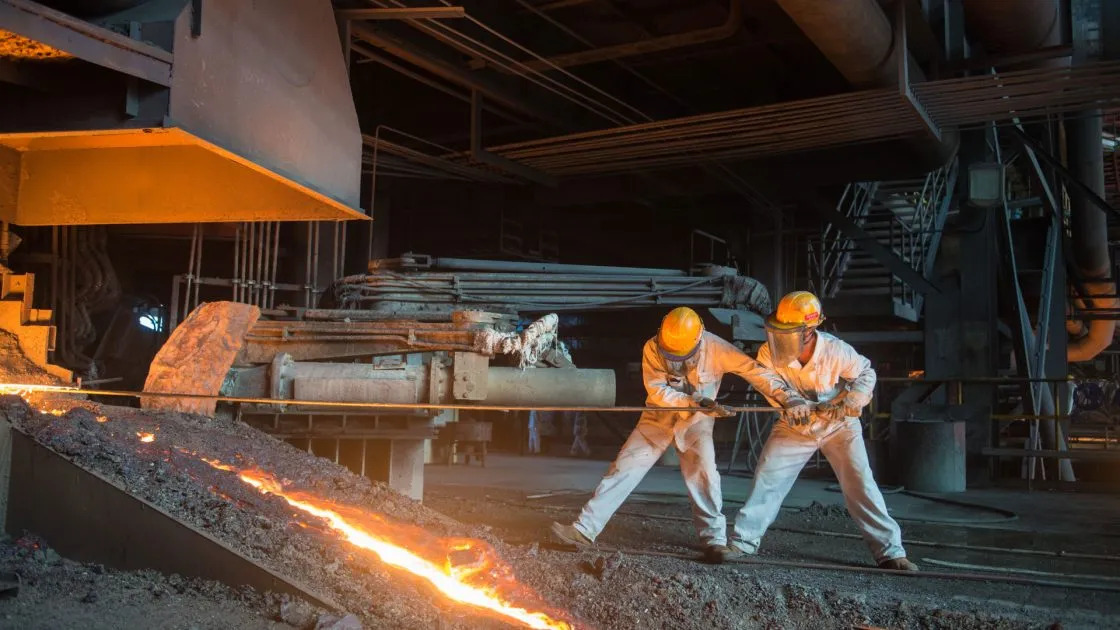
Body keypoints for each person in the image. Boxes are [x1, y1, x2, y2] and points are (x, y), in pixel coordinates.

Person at [550, 307, 811, 562]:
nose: (675, 362)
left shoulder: (716, 348)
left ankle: (714, 542)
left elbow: (754, 371)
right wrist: (693, 400)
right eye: (671, 356)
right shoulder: (653, 347)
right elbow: (657, 390)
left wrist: (789, 397)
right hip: (658, 417)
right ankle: (583, 530)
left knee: (705, 477)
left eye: (682, 356)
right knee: (624, 469)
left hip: (697, 423)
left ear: (699, 340)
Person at [728, 291, 918, 571]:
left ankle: (891, 552)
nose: (779, 337)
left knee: (860, 483)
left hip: (839, 426)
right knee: (768, 478)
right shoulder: (770, 352)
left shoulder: (835, 350)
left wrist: (853, 399)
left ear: (808, 330)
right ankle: (743, 542)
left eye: (788, 332)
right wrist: (790, 400)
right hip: (795, 426)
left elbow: (866, 373)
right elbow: (767, 381)